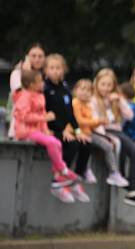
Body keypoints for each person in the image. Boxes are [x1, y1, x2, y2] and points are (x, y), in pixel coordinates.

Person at [13, 69, 88, 203]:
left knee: (56, 142)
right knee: (53, 143)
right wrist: (44, 118)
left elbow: (43, 119)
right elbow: (22, 116)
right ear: (31, 84)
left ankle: (59, 175)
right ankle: (63, 170)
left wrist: (45, 129)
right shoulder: (24, 96)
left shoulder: (40, 96)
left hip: (37, 131)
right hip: (25, 131)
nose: (43, 83)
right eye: (40, 81)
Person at [93, 68, 135, 209]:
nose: (105, 88)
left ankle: (132, 189)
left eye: (109, 85)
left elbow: (129, 116)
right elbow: (96, 121)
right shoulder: (93, 100)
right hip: (104, 132)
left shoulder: (115, 99)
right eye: (103, 84)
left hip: (117, 130)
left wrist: (120, 100)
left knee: (134, 150)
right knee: (119, 146)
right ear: (97, 84)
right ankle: (124, 179)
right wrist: (105, 134)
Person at [43, 54, 92, 183]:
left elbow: (69, 113)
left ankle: (77, 176)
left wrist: (77, 131)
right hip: (50, 129)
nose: (55, 71)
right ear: (46, 70)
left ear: (63, 69)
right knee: (72, 144)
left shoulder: (65, 89)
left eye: (58, 67)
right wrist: (62, 130)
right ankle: (59, 178)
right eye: (52, 68)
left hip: (63, 128)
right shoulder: (45, 89)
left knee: (85, 142)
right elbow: (48, 114)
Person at [72, 79, 130, 189]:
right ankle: (85, 169)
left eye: (88, 90)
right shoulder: (75, 103)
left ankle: (114, 173)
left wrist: (100, 122)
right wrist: (98, 121)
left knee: (107, 145)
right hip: (77, 133)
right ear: (76, 90)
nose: (85, 92)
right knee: (86, 144)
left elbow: (90, 125)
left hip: (88, 133)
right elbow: (78, 121)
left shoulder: (88, 106)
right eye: (82, 89)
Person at [8, 43, 46, 139]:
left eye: (40, 56)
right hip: (22, 129)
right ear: (27, 57)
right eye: (33, 56)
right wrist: (27, 73)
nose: (37, 59)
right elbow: (20, 96)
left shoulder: (46, 76)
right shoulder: (17, 74)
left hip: (41, 129)